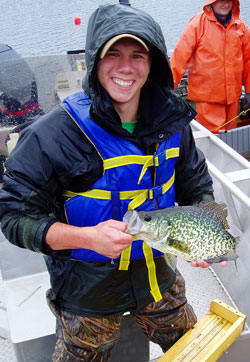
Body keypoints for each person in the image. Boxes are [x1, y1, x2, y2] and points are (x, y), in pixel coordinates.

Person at [0, 1, 226, 361]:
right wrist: (85, 237)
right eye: (112, 54)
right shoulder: (54, 134)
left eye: (138, 55)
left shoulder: (173, 123)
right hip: (86, 288)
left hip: (158, 277)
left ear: (152, 64)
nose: (126, 67)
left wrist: (201, 236)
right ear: (93, 61)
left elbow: (196, 186)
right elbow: (13, 217)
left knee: (195, 351)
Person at [170, 0, 250, 133]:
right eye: (220, 0)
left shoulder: (240, 26)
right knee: (210, 143)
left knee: (230, 142)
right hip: (207, 102)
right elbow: (179, 59)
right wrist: (166, 90)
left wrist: (248, 90)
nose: (225, 4)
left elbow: (248, 61)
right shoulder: (197, 25)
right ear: (211, 2)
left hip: (232, 100)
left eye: (229, 0)